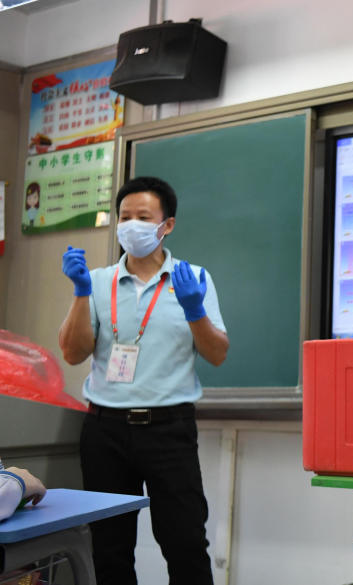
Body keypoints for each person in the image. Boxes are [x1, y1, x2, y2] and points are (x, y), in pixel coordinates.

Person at [57, 176, 228, 585]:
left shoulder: (193, 279)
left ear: (166, 225)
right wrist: (81, 292)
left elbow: (218, 354)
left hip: (169, 429)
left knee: (184, 542)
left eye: (143, 217)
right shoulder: (97, 281)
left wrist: (194, 311)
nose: (131, 225)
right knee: (109, 548)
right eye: (125, 217)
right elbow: (72, 352)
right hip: (104, 430)